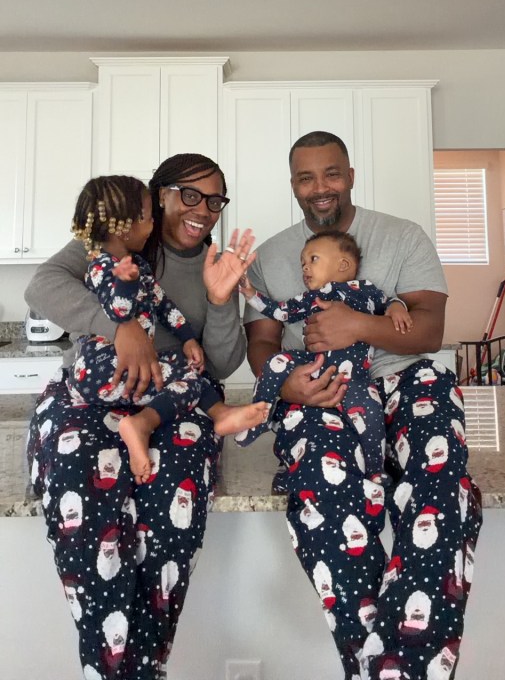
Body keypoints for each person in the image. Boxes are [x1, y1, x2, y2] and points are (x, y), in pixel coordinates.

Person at [244, 131, 482, 680]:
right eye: (306, 177)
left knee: (442, 490)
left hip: (408, 379)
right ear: (293, 185)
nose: (320, 187)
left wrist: (357, 325)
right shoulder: (271, 257)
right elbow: (262, 342)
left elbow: (429, 330)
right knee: (324, 495)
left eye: (331, 173)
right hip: (322, 388)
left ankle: (385, 665)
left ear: (350, 176)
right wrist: (287, 385)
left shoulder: (403, 236)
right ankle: (391, 668)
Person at [26, 152, 254, 680]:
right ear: (158, 197)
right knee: (81, 487)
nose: (203, 210)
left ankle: (141, 664)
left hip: (174, 399)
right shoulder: (114, 240)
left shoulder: (217, 261)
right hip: (95, 391)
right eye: (190, 195)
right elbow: (42, 286)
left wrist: (220, 300)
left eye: (215, 200)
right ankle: (110, 664)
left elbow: (220, 364)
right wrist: (118, 328)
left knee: (173, 506)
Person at [68, 174, 268, 483]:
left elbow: (163, 305)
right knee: (192, 380)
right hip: (103, 370)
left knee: (192, 373)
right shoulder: (101, 266)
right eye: (147, 218)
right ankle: (150, 423)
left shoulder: (137, 265)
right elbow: (118, 311)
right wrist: (125, 283)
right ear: (125, 227)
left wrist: (187, 339)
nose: (152, 224)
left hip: (122, 371)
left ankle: (205, 414)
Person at [236, 229, 412, 475]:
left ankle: (375, 470)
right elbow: (280, 311)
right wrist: (250, 294)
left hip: (353, 378)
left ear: (343, 265)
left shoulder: (366, 291)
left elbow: (389, 302)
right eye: (303, 263)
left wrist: (398, 308)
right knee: (276, 362)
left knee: (370, 418)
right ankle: (258, 416)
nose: (305, 267)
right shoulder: (311, 297)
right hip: (314, 364)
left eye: (313, 259)